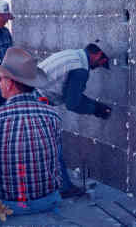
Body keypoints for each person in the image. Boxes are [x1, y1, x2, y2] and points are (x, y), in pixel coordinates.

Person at [35, 43, 112, 198]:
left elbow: (71, 94)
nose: (99, 67)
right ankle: (63, 188)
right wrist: (96, 109)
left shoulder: (73, 54)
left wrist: (95, 105)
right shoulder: (81, 69)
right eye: (102, 63)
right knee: (52, 144)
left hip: (31, 92)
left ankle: (54, 185)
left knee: (43, 145)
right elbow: (73, 103)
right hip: (37, 100)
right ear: (98, 55)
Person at [0, 47, 62, 217]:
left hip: (10, 205)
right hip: (49, 200)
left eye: (0, 79)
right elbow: (55, 163)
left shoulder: (0, 118)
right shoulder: (52, 115)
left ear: (10, 83)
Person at [0, 0, 14, 106]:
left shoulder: (5, 32)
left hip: (6, 82)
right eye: (4, 18)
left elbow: (12, 55)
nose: (7, 21)